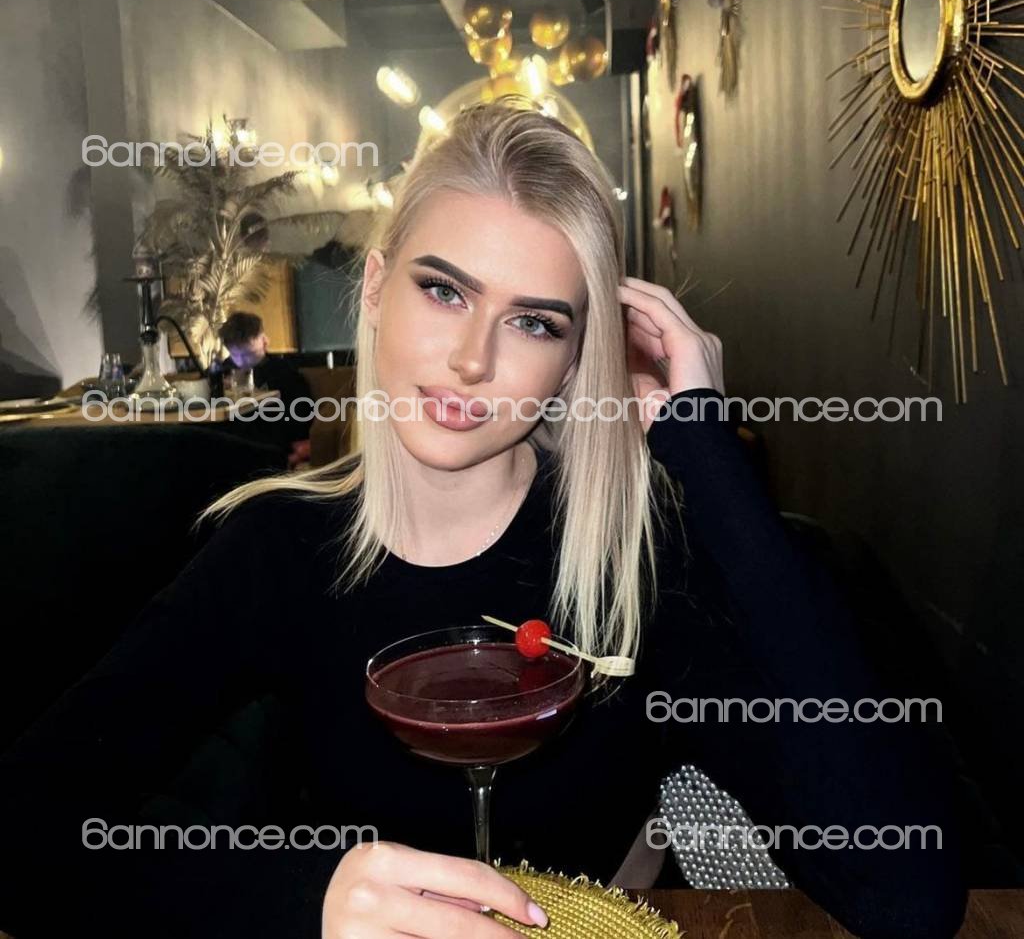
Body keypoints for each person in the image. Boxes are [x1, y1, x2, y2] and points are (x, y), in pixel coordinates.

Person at [0, 101, 967, 939]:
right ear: (374, 290)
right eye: (443, 289)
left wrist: (710, 458)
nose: (473, 359)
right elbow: (22, 826)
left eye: (535, 322)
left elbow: (906, 894)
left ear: (574, 360)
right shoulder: (276, 549)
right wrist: (301, 899)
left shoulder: (637, 562)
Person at [217, 311, 312, 449]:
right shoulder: (222, 372)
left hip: (269, 442)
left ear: (264, 341)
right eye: (237, 356)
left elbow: (301, 415)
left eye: (249, 354)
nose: (243, 362)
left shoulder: (284, 373)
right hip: (230, 439)